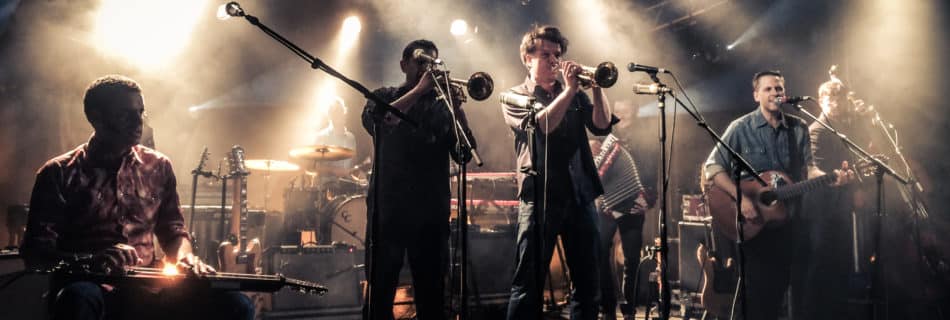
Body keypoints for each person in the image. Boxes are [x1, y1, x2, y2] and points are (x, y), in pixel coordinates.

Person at [20, 75, 254, 320]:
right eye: (125, 114)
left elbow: (174, 231)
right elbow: (36, 254)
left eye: (141, 112)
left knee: (236, 304)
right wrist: (91, 261)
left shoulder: (159, 166)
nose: (138, 121)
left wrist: (186, 258)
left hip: (149, 287)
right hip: (91, 287)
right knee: (78, 298)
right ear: (97, 118)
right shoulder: (58, 172)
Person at [702, 70, 852, 319]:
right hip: (753, 224)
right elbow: (713, 167)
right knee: (759, 294)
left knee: (787, 289)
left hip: (790, 222)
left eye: (779, 89)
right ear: (756, 95)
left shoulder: (799, 127)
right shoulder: (741, 128)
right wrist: (741, 200)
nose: (774, 93)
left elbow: (810, 170)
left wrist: (831, 178)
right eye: (768, 89)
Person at [501, 25, 617, 320]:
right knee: (528, 284)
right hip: (541, 196)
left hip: (580, 195)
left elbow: (602, 126)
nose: (554, 61)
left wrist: (598, 87)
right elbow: (543, 126)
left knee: (589, 285)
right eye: (545, 54)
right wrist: (569, 91)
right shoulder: (514, 96)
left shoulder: (576, 95)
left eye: (557, 55)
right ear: (527, 59)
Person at [360, 39, 475, 320]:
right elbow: (380, 120)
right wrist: (421, 89)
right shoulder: (383, 95)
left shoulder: (441, 108)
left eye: (432, 63)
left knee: (433, 292)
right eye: (421, 62)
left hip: (431, 213)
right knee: (381, 288)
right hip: (389, 211)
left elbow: (465, 154)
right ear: (404, 65)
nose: (428, 69)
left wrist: (457, 109)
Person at [795, 79, 875, 319]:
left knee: (838, 267)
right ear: (821, 102)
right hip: (821, 212)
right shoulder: (817, 131)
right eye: (832, 100)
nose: (837, 104)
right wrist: (840, 179)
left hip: (838, 210)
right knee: (821, 267)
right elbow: (816, 171)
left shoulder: (841, 130)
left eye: (841, 99)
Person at [588, 138, 650, 320]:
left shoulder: (617, 145)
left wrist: (649, 197)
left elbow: (649, 172)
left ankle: (629, 309)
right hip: (606, 206)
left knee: (632, 258)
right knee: (599, 254)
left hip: (633, 204)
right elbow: (593, 180)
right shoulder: (596, 147)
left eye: (594, 148)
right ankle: (607, 307)